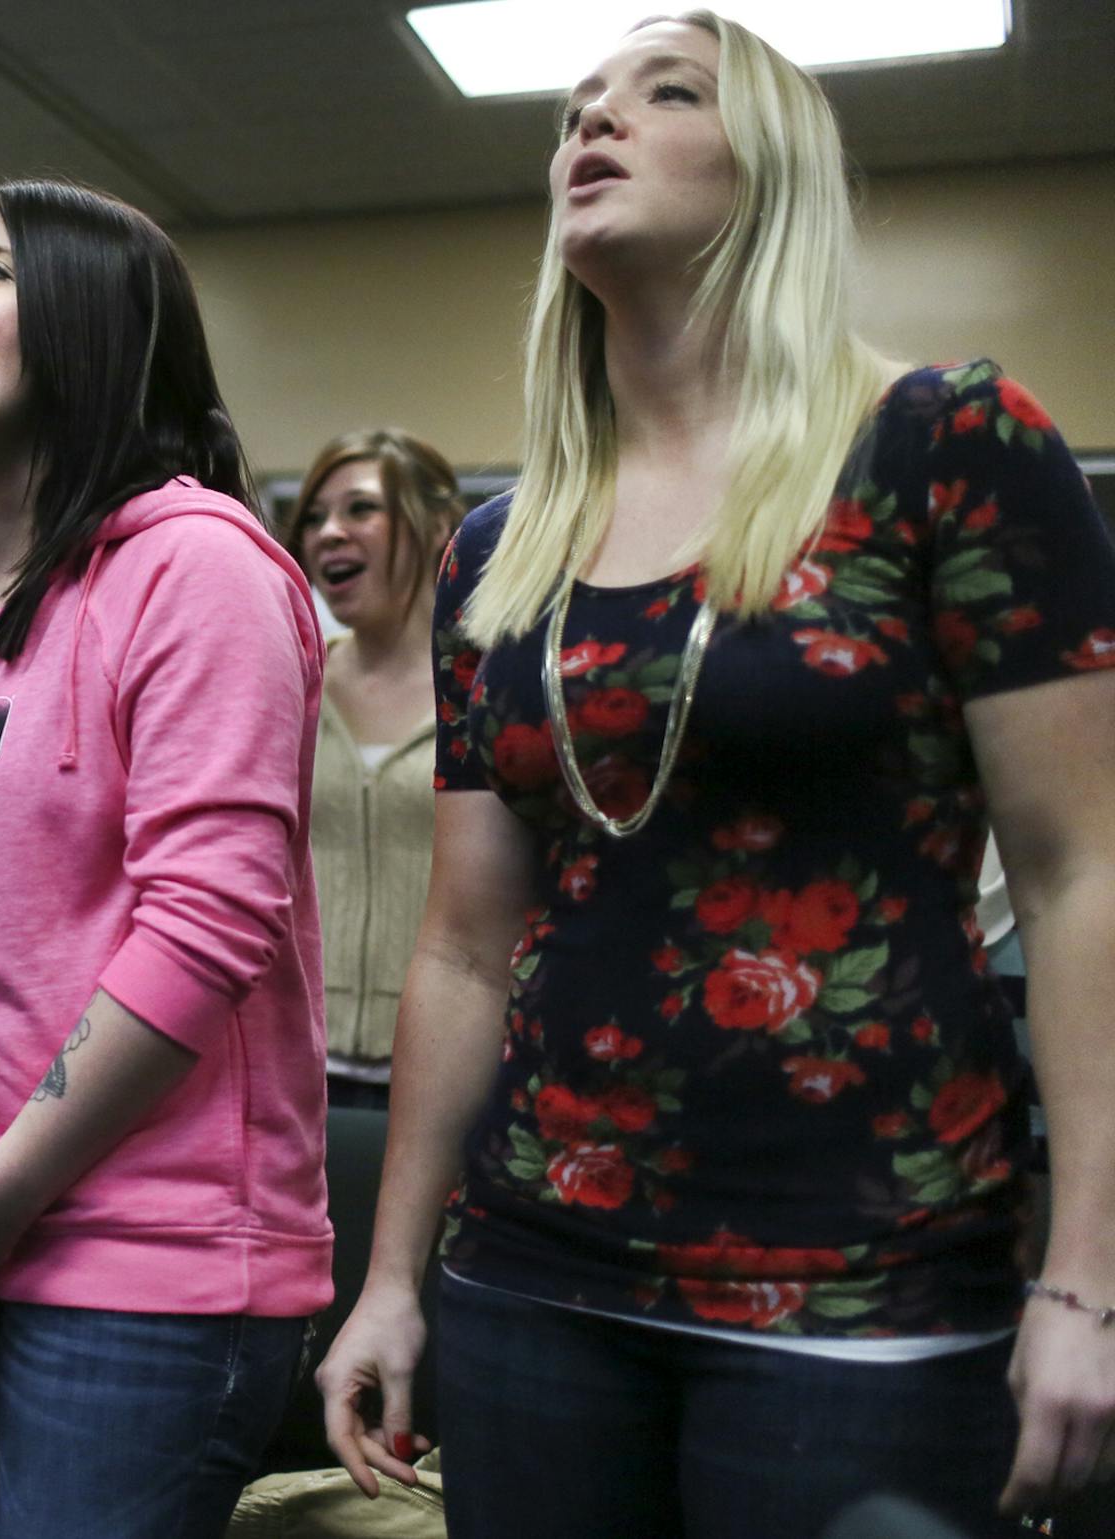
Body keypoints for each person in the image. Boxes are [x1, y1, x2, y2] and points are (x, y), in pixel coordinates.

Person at [314, 12, 1115, 1537]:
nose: (593, 122)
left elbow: (1087, 872)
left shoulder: (946, 443)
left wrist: (1091, 1273)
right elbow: (466, 944)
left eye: (665, 92)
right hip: (537, 1271)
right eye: (574, 108)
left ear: (773, 171)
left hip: (862, 1283)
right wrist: (395, 1276)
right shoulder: (501, 545)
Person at [0, 177, 330, 1539]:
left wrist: (2, 1190)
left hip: (138, 1265)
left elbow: (209, 921)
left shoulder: (195, 566)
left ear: (95, 331)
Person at [282, 431, 464, 1110]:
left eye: (359, 509)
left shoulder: (482, 690)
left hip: (441, 1070)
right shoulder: (291, 684)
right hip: (298, 1068)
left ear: (436, 524)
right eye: (314, 516)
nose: (329, 533)